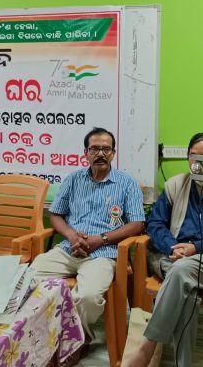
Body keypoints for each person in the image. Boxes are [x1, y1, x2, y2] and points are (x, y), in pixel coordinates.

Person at [126, 132, 203, 367]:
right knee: (185, 286)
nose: (200, 162)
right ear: (187, 158)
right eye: (194, 156)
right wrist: (174, 247)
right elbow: (155, 224)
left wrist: (196, 248)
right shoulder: (175, 185)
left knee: (181, 271)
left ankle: (146, 348)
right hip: (172, 256)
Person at [30, 127, 145, 347]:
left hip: (103, 253)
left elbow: (137, 223)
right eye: (94, 149)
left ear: (113, 153)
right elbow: (56, 215)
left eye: (106, 149)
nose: (100, 154)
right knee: (29, 279)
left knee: (89, 297)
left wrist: (100, 239)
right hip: (69, 249)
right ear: (86, 153)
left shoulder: (127, 183)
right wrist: (71, 235)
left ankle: (77, 339)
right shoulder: (73, 180)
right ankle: (42, 333)